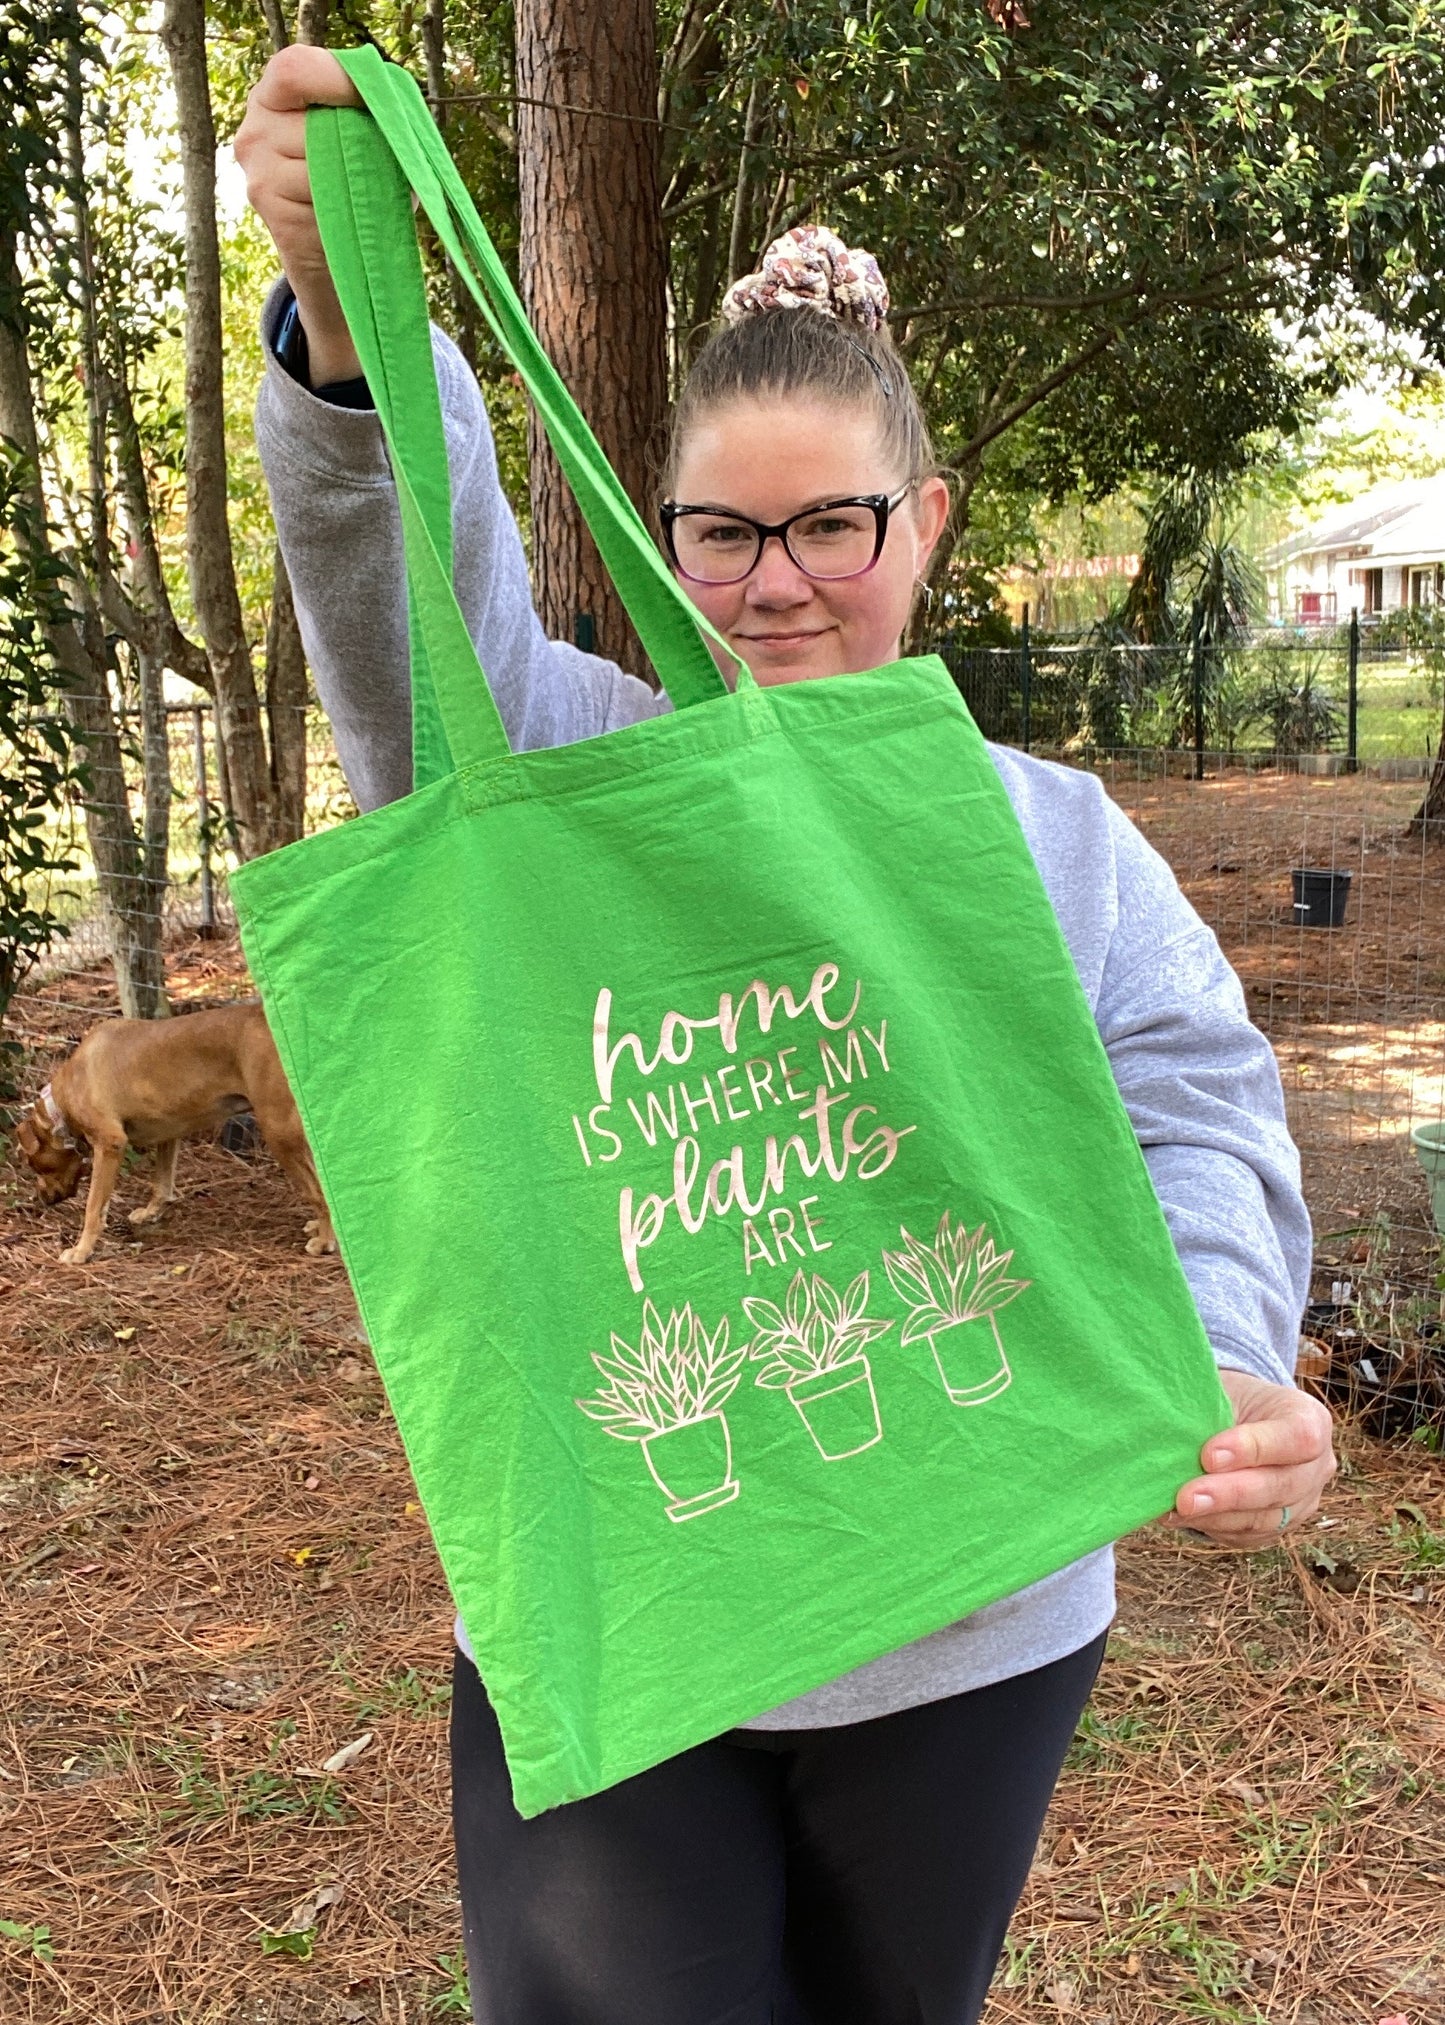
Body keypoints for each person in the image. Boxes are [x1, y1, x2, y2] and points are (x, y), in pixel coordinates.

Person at [236, 48, 1336, 2025]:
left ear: (927, 520)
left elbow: (1194, 1098)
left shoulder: (1050, 835)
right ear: (662, 535)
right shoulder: (576, 772)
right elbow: (421, 600)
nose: (773, 585)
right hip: (621, 1596)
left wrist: (1224, 1338)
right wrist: (342, 322)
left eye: (829, 524)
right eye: (719, 535)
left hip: (974, 1628)